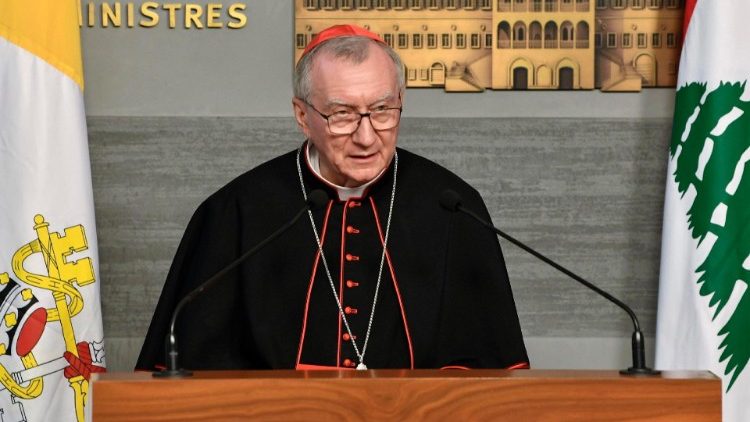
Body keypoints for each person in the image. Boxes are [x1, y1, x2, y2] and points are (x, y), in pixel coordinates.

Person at [136, 25, 528, 371]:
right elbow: (192, 371)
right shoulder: (237, 211)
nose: (366, 136)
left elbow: (490, 369)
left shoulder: (452, 208)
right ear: (302, 116)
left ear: (400, 102)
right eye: (342, 114)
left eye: (382, 110)